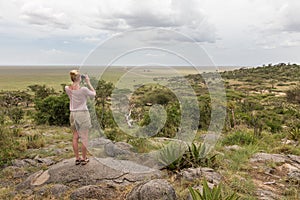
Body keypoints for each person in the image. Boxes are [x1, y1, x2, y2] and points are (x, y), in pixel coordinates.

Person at [65, 69, 96, 165]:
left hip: (73, 114)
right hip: (82, 113)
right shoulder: (83, 89)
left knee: (75, 137)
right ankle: (84, 158)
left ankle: (77, 158)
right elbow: (94, 94)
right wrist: (88, 82)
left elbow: (72, 87)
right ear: (79, 78)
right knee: (84, 137)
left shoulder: (67, 88)